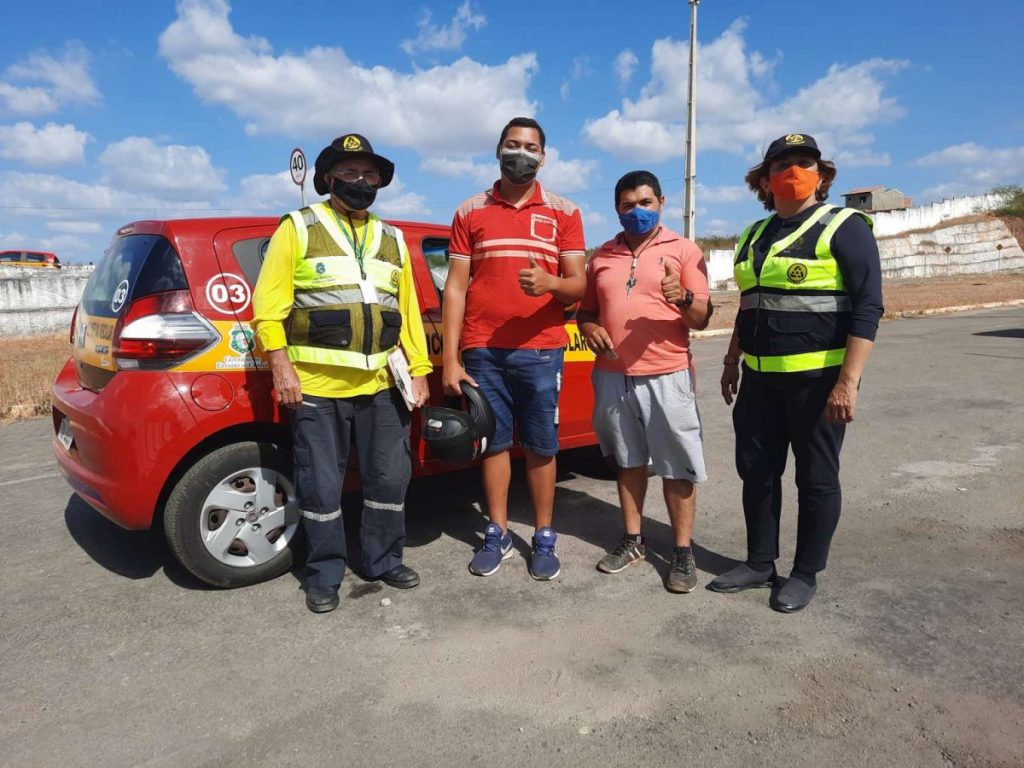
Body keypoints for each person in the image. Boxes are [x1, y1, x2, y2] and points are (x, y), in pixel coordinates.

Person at [252, 133, 432, 613]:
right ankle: (325, 573)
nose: (360, 181)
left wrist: (419, 368)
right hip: (315, 387)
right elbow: (267, 308)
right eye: (349, 173)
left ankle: (383, 559)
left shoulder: (391, 238)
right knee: (321, 487)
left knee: (389, 480)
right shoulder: (298, 226)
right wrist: (281, 366)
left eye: (369, 174)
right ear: (328, 178)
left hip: (381, 388)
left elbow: (407, 310)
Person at [709, 133, 883, 612]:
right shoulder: (754, 234)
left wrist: (848, 383)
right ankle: (759, 562)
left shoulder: (844, 226)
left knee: (816, 478)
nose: (794, 170)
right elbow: (751, 304)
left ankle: (805, 573)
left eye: (805, 162)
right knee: (757, 473)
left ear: (822, 175)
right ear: (765, 180)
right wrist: (731, 360)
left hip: (819, 381)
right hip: (760, 380)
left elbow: (869, 308)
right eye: (782, 164)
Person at [442, 117, 587, 580]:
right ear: (498, 150)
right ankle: (498, 533)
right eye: (512, 145)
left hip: (541, 349)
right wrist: (451, 358)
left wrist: (550, 283)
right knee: (494, 444)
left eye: (530, 147)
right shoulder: (469, 211)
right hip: (483, 349)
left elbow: (578, 285)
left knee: (543, 446)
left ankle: (544, 536)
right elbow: (456, 288)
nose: (520, 154)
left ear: (543, 157)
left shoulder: (565, 211)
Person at [577, 170, 713, 593]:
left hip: (667, 375)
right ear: (616, 208)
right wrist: (588, 327)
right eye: (627, 205)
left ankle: (682, 552)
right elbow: (586, 311)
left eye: (645, 203)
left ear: (661, 202)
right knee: (627, 462)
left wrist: (684, 297)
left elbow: (703, 319)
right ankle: (633, 541)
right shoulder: (601, 255)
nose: (636, 211)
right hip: (612, 377)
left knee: (676, 468)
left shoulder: (684, 250)